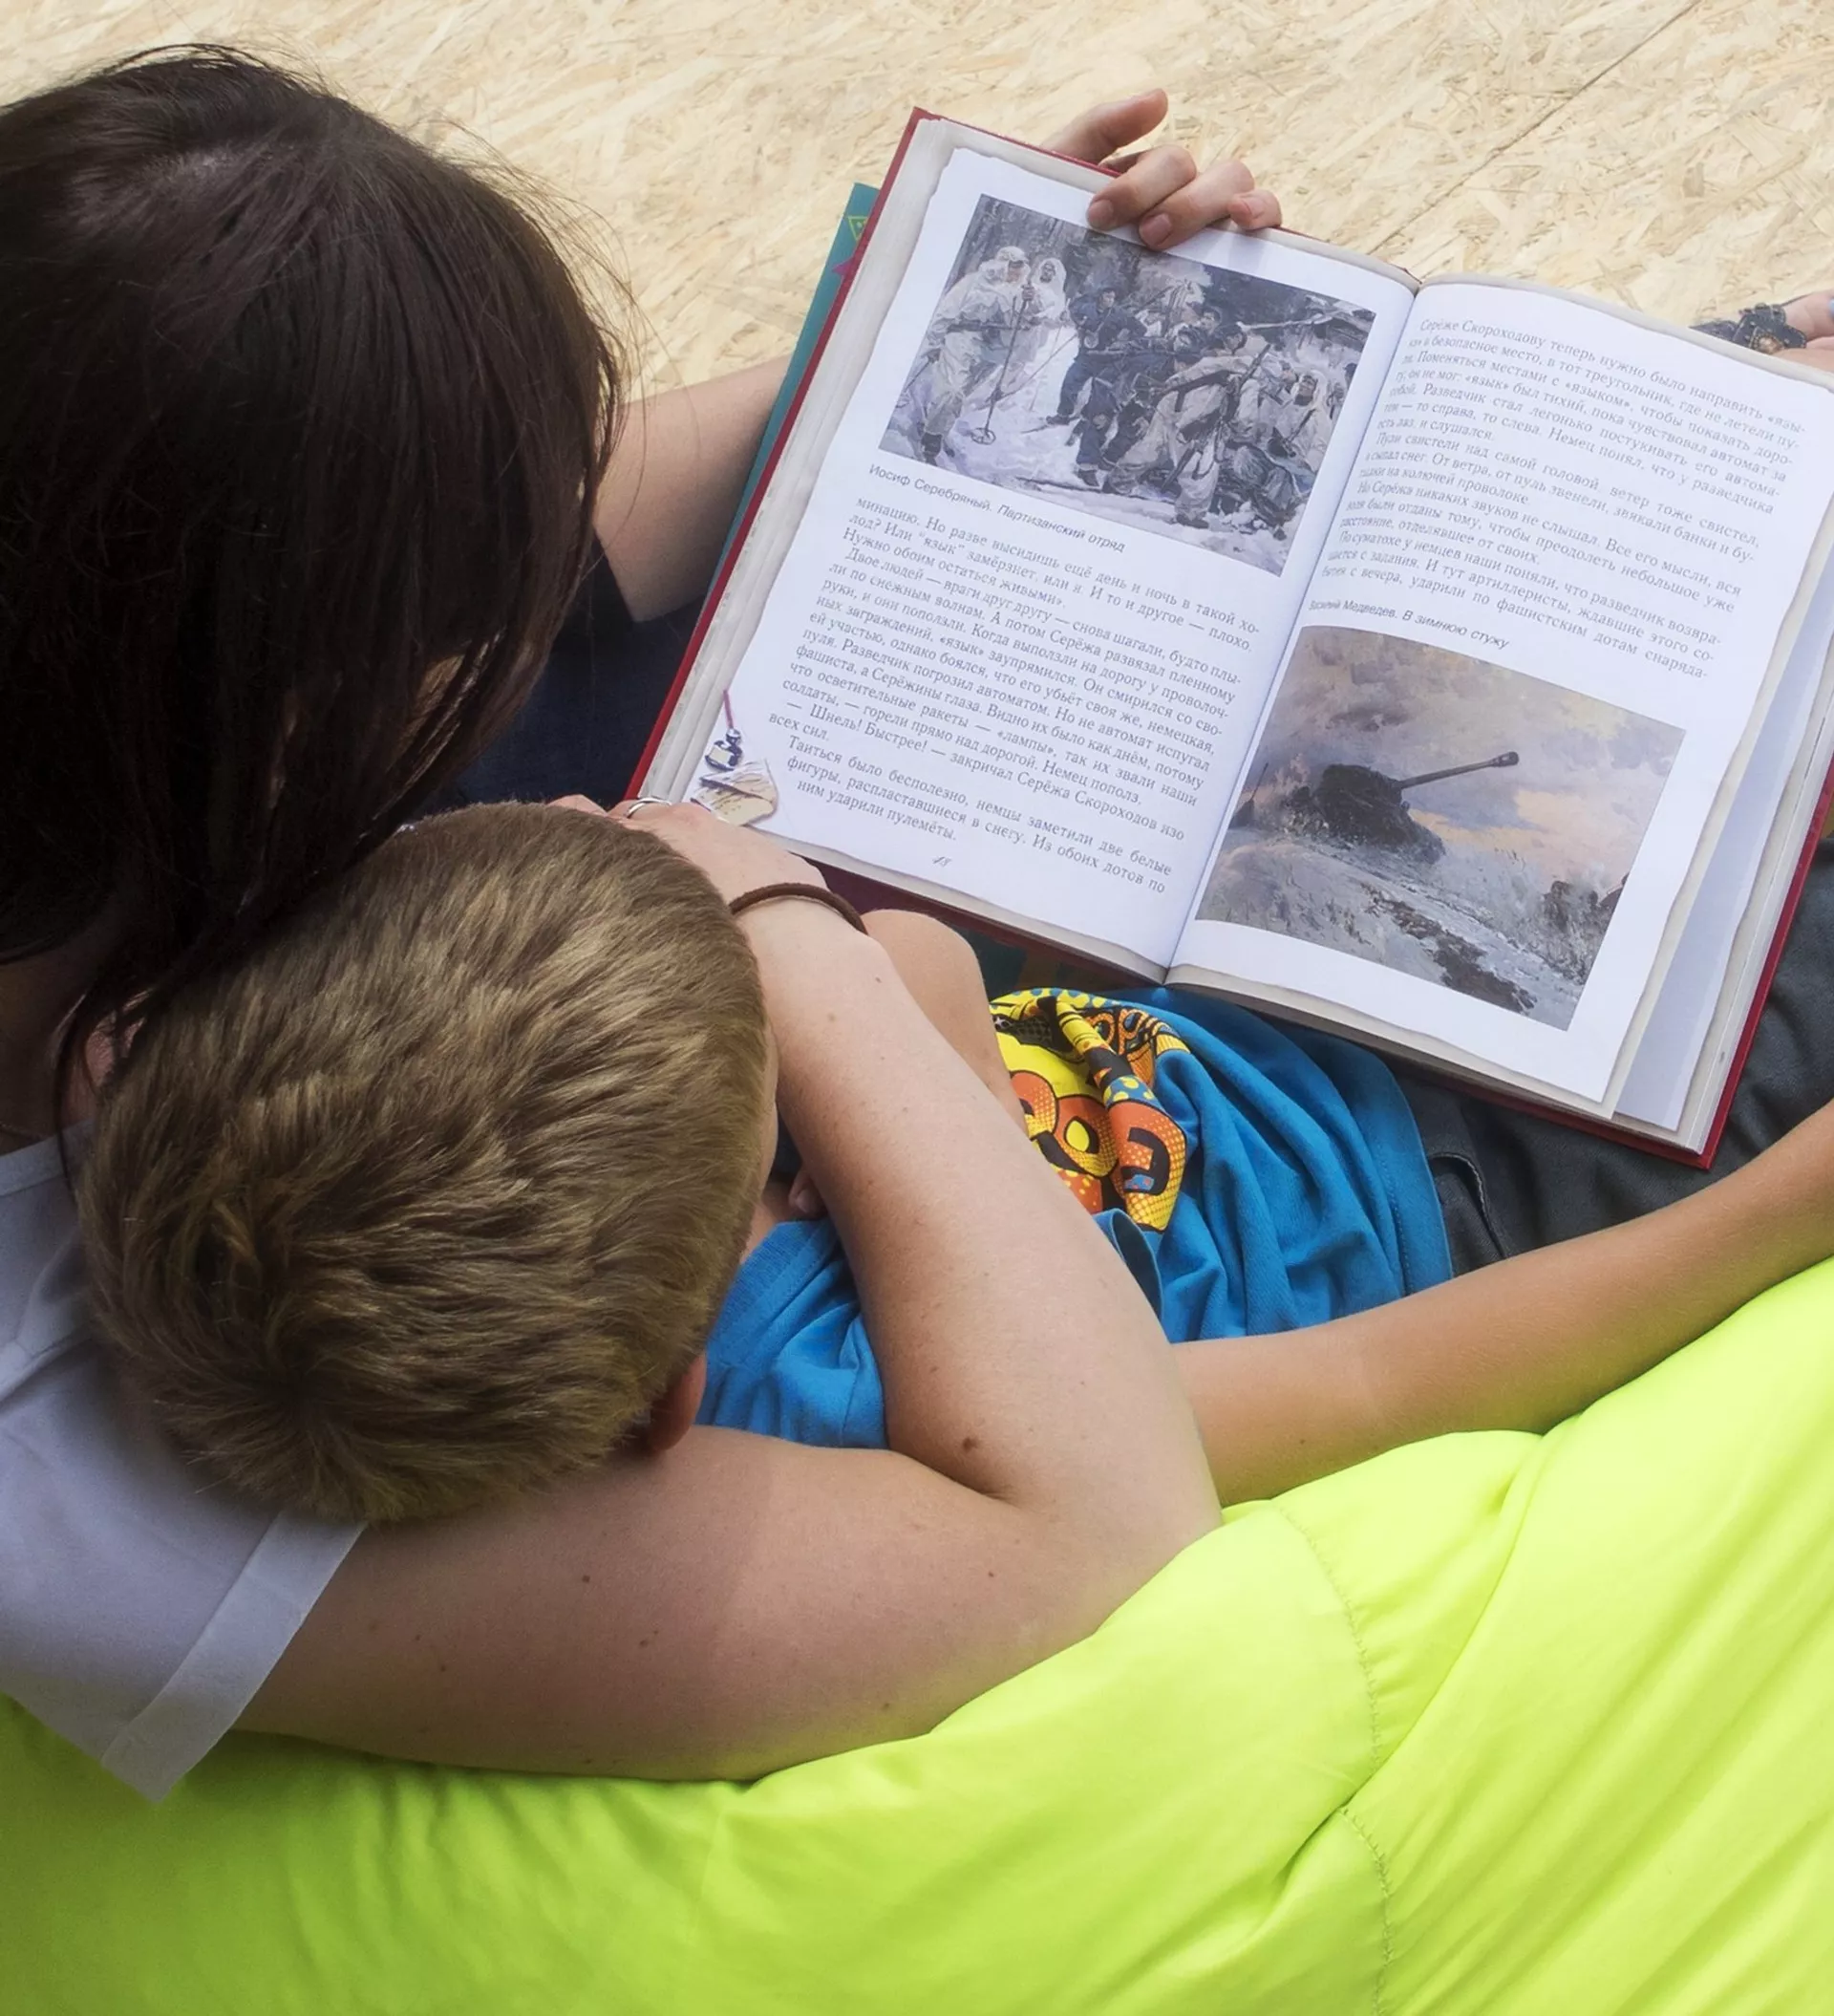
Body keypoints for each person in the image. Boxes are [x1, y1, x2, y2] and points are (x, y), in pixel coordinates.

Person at [0, 47, 1279, 1803]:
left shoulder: (96, 706)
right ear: (291, 711)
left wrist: (946, 320)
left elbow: (479, 524)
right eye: (467, 609)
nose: (530, 607)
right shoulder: (66, 1454)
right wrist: (780, 930)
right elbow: (1101, 1532)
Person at [76, 795, 1834, 1540]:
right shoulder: (846, 1408)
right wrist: (1781, 1213)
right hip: (1459, 1197)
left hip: (1282, 1021)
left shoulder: (630, 1233)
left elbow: (922, 961)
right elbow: (1379, 1381)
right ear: (678, 1402)